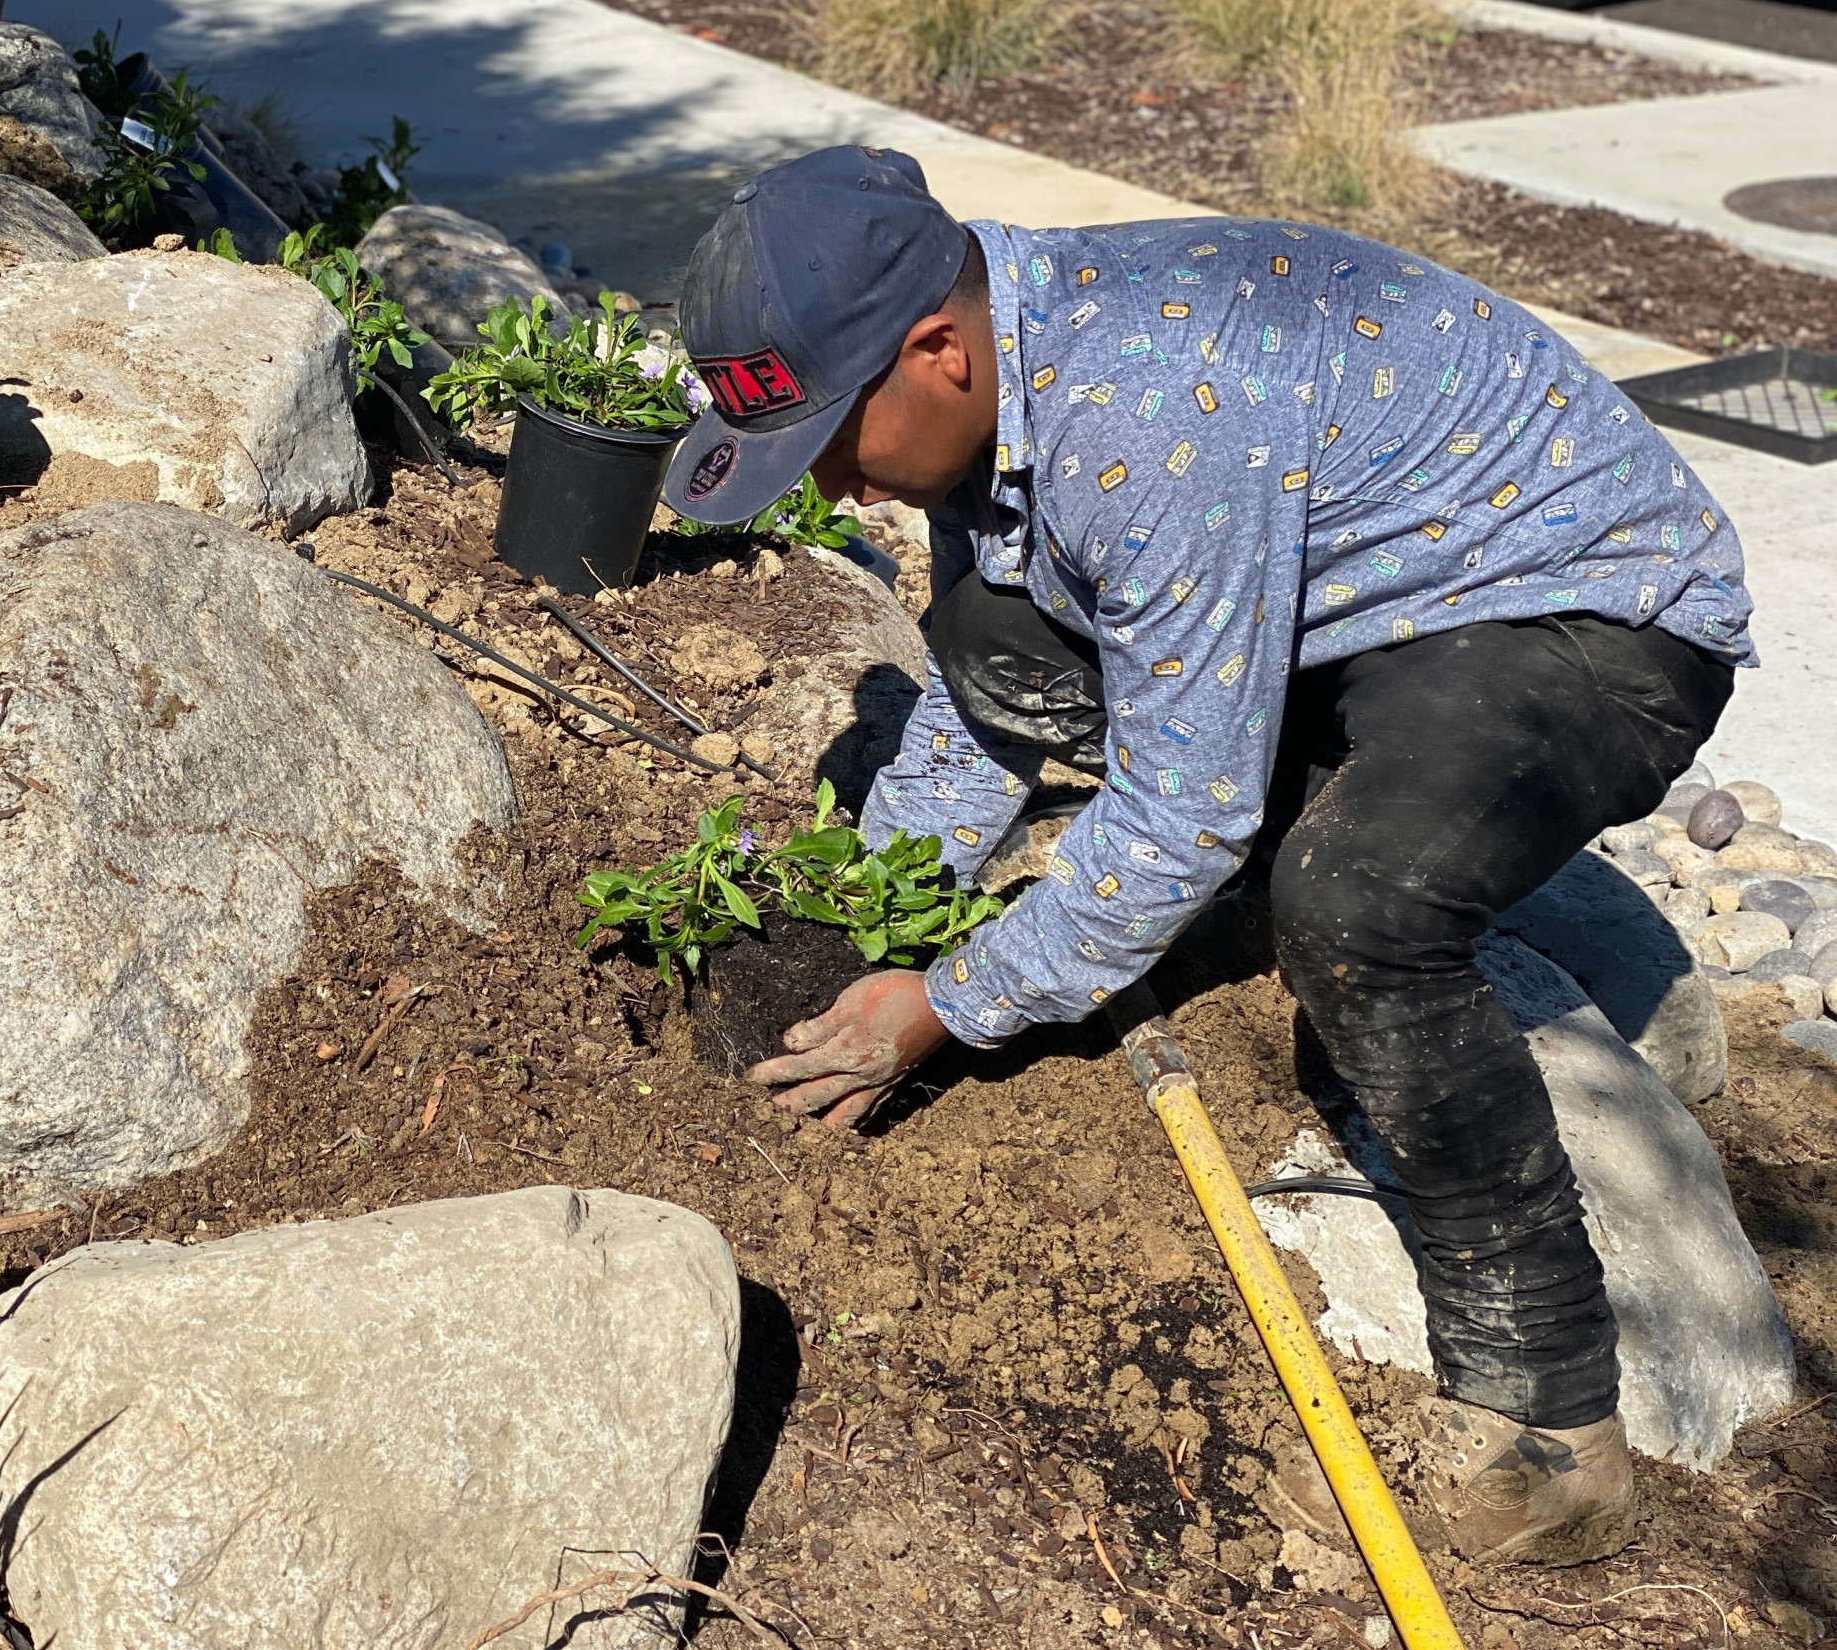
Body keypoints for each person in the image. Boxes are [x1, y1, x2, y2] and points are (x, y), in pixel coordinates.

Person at [663, 146, 1751, 1569]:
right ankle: (1243, 885)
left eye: (836, 447)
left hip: (1585, 615)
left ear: (935, 353)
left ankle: (1548, 1443)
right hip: (1374, 592)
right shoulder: (992, 365)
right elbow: (986, 698)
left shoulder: (1152, 411)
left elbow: (1182, 815)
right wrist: (866, 913)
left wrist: (943, 1007)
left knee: (1354, 902)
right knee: (1002, 632)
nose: (843, 492)